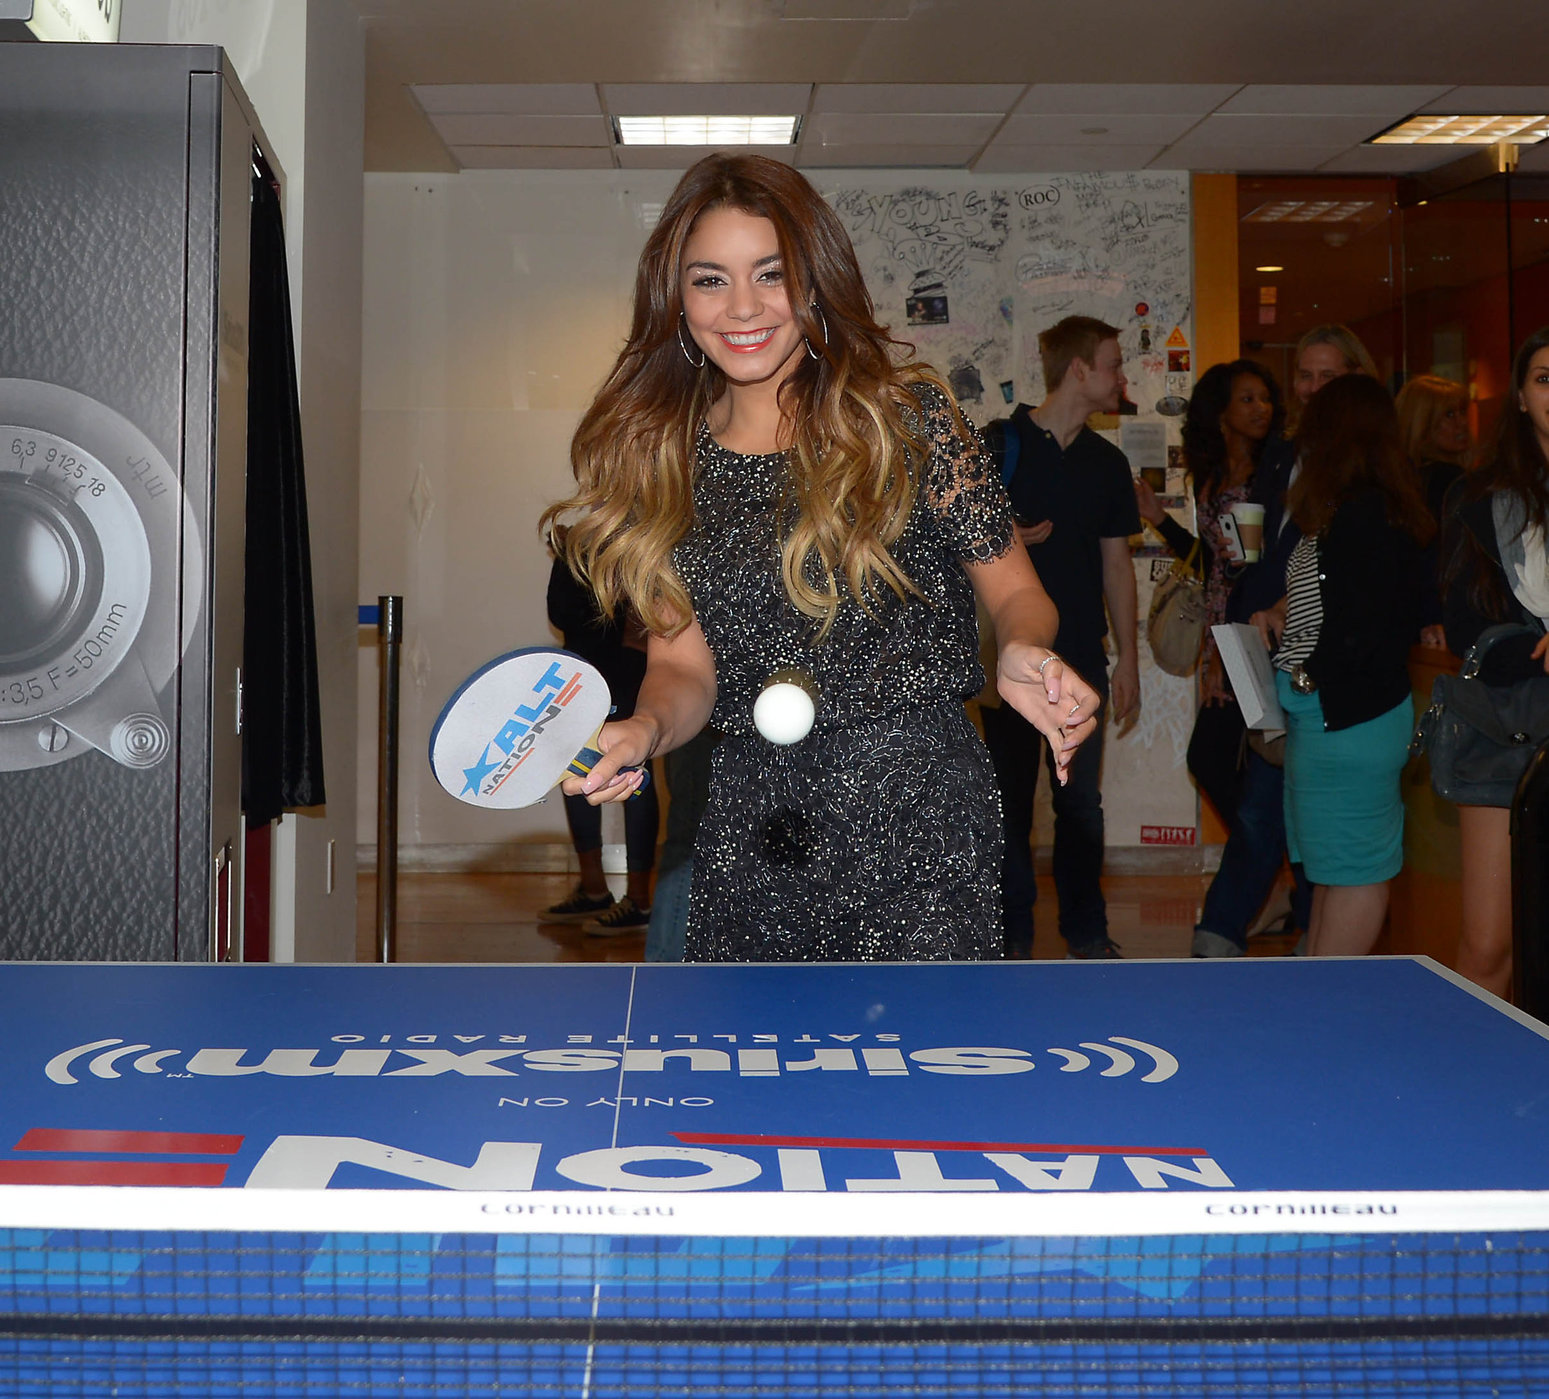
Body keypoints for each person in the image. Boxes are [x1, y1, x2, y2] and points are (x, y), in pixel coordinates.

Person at [541, 154, 1101, 963]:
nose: (742, 307)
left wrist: (1021, 646)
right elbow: (684, 666)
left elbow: (1017, 590)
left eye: (770, 274)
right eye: (709, 280)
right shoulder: (665, 461)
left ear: (814, 280)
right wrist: (643, 727)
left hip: (920, 811)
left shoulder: (906, 416)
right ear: (676, 297)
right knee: (755, 1076)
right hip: (752, 823)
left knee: (917, 1077)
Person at [1185, 326, 1378, 958]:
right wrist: (1229, 644)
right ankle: (1257, 928)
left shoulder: (1368, 464)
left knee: (1287, 804)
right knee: (1263, 792)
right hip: (1260, 647)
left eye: (1328, 375)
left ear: (1355, 377)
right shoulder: (1279, 454)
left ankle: (1269, 929)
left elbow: (1357, 565)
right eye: (1305, 374)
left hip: (1327, 661)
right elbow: (1251, 558)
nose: (1313, 387)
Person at [1251, 375, 1432, 957]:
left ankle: (1329, 1007)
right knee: (1333, 869)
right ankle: (1319, 998)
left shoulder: (1366, 515)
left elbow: (1363, 628)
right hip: (1332, 716)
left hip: (1348, 718)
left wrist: (1306, 677)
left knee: (1352, 870)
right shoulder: (1350, 512)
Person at [982, 316, 1141, 960]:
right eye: (1112, 363)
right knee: (1009, 807)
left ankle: (1087, 931)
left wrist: (1128, 656)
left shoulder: (1109, 462)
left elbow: (1116, 566)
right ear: (1079, 369)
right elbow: (952, 550)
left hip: (1081, 659)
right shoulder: (998, 447)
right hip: (1010, 666)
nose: (1121, 377)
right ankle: (1012, 932)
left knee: (1081, 808)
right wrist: (1005, 542)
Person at [1440, 328, 1549, 998]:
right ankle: (1459, 1090)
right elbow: (1462, 624)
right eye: (1544, 378)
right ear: (1519, 396)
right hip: (1506, 730)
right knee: (1487, 946)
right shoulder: (1480, 497)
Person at [1135, 359, 1284, 827]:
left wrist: (1226, 654)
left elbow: (1251, 571)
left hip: (1252, 635)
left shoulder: (1268, 477)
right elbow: (1218, 562)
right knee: (1236, 759)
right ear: (1220, 412)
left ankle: (1270, 858)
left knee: (1222, 756)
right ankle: (1274, 863)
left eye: (1264, 398)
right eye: (1247, 399)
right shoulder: (1216, 474)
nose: (1262, 408)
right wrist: (1158, 518)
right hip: (1225, 636)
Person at [541, 542, 659, 933]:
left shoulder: (645, 538)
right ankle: (595, 890)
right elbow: (560, 613)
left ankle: (639, 900)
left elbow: (639, 618)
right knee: (574, 773)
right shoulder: (576, 543)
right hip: (581, 674)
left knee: (635, 778)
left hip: (627, 673)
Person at [1396, 374, 1468, 647]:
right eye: (1449, 414)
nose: (1461, 422)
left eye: (1462, 411)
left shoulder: (1400, 480)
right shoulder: (1449, 481)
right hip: (1439, 622)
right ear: (1422, 422)